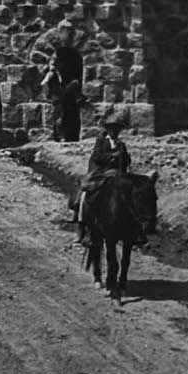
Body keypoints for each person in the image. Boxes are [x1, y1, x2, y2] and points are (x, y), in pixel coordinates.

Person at [70, 108, 132, 246]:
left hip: (117, 174)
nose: (115, 131)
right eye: (112, 128)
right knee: (85, 196)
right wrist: (111, 157)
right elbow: (96, 157)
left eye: (117, 129)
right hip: (101, 174)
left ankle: (135, 229)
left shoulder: (121, 144)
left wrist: (125, 157)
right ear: (108, 129)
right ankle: (81, 229)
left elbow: (127, 162)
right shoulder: (101, 141)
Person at [39, 56, 65, 141]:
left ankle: (59, 136)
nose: (53, 66)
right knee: (58, 118)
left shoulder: (57, 73)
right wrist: (47, 94)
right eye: (52, 64)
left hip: (59, 97)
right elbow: (43, 83)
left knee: (59, 117)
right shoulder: (51, 74)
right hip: (55, 98)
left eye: (55, 64)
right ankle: (59, 136)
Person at [59, 76, 86, 142]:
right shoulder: (72, 87)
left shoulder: (67, 87)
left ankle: (67, 138)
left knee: (67, 124)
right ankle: (71, 138)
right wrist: (84, 98)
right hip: (70, 110)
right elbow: (77, 97)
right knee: (71, 125)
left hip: (65, 109)